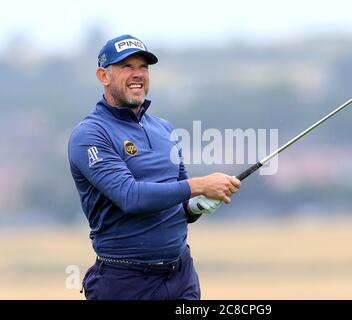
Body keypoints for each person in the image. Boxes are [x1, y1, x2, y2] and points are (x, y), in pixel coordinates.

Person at [68, 34, 240, 300]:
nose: (138, 74)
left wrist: (195, 205)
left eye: (143, 67)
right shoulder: (90, 134)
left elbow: (179, 199)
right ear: (104, 76)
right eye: (127, 66)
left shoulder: (164, 129)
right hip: (124, 281)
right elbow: (131, 197)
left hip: (181, 276)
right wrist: (200, 185)